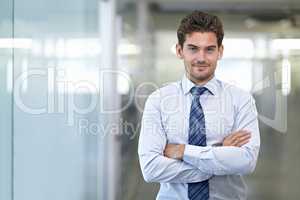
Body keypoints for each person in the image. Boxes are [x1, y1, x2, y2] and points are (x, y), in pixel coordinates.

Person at [138, 11, 260, 200]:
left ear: (220, 51)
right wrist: (218, 156)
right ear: (180, 51)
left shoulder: (240, 100)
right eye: (193, 48)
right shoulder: (158, 101)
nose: (201, 58)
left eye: (209, 49)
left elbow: (246, 161)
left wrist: (183, 151)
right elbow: (151, 169)